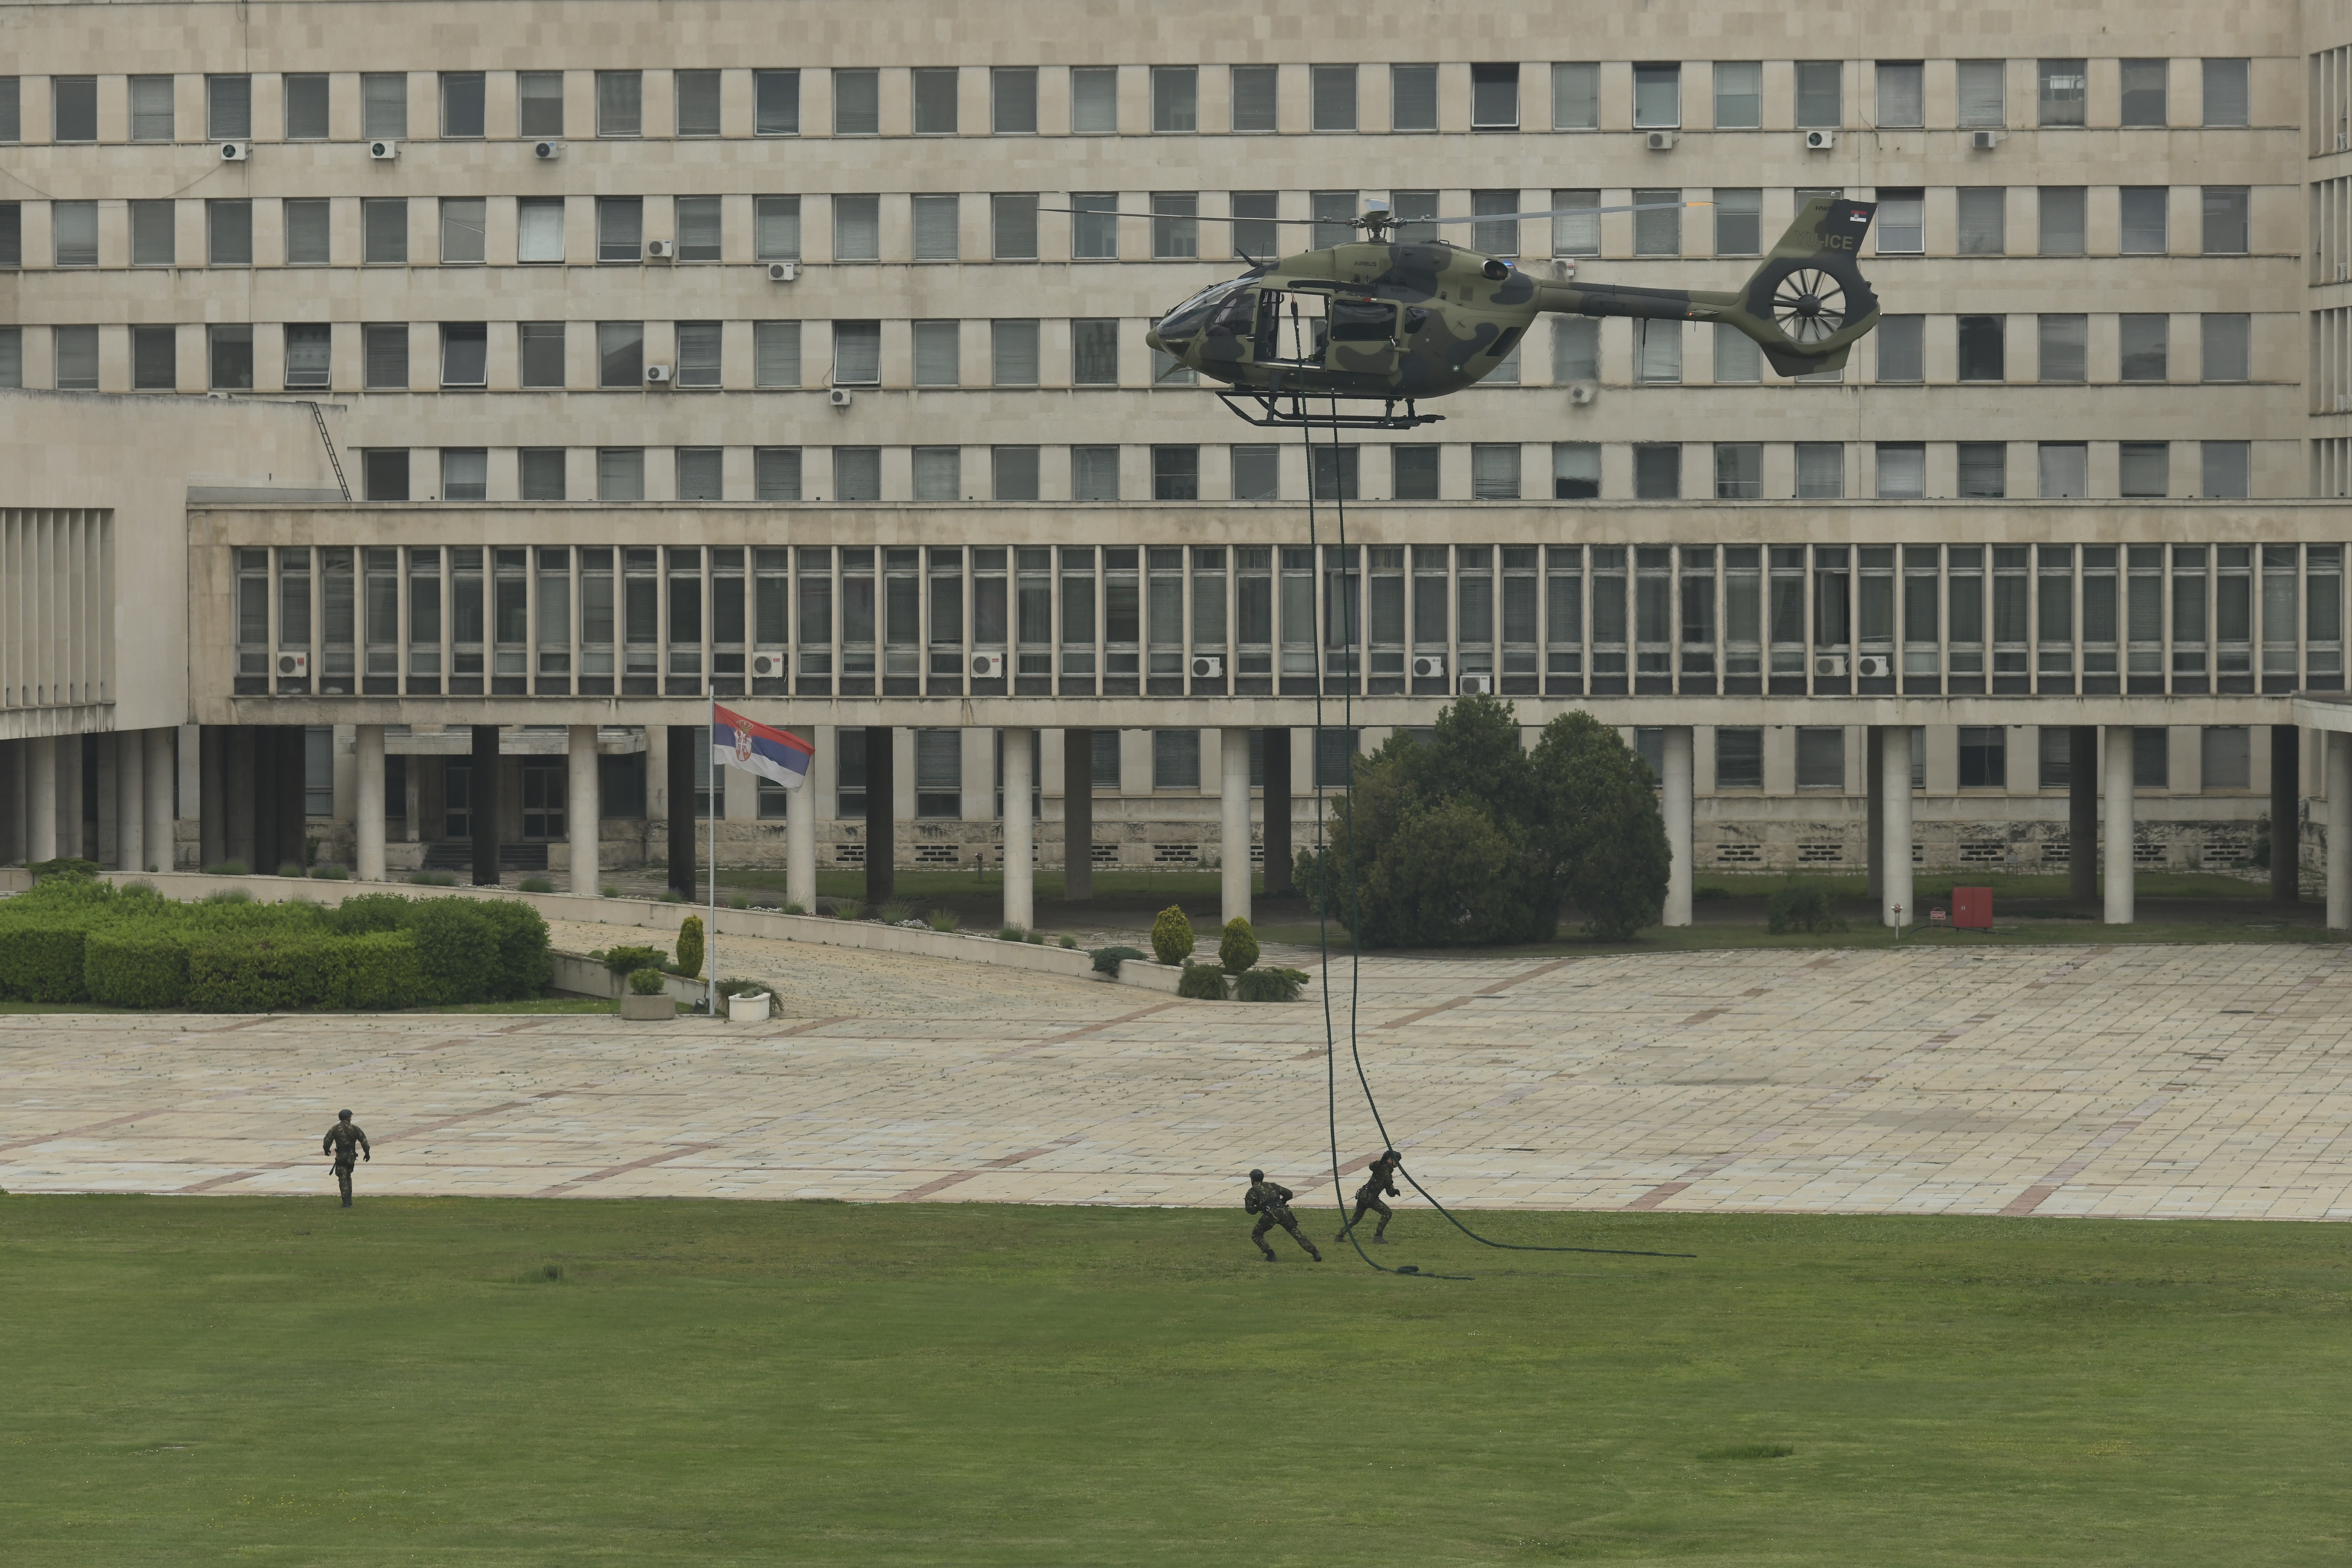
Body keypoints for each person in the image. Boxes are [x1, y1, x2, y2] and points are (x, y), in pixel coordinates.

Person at [1244, 1168, 1321, 1262]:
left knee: (1257, 1235)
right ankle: (1315, 1253)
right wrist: (1282, 1202)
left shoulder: (1252, 1191)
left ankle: (1271, 1255)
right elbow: (1289, 1194)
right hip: (1283, 1211)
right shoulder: (1273, 1185)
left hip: (1270, 1214)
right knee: (1296, 1233)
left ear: (1252, 1179)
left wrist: (1260, 1207)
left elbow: (1251, 1211)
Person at [1337, 1149, 1402, 1244]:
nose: (1397, 1163)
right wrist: (1380, 1162)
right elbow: (1372, 1166)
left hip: (1365, 1196)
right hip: (1368, 1196)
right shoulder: (1382, 1167)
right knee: (1388, 1213)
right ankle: (1378, 1236)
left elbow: (1390, 1191)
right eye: (1396, 1160)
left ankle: (1340, 1236)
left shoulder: (1388, 1174)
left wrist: (1395, 1192)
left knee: (1356, 1218)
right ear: (1390, 1159)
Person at [322, 1109, 371, 1206]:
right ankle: (349, 1199)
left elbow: (327, 1141)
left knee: (342, 1177)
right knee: (348, 1176)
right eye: (350, 1117)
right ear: (348, 1118)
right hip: (352, 1156)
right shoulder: (355, 1129)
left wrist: (326, 1150)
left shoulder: (335, 1129)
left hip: (341, 1156)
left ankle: (346, 1202)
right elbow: (364, 1141)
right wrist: (367, 1153)